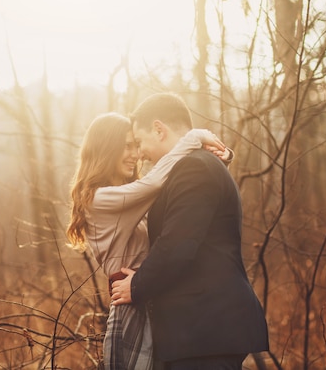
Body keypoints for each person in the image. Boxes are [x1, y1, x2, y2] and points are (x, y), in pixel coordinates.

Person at [111, 93, 269, 369]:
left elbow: (177, 245)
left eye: (139, 142)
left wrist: (136, 286)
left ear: (159, 130)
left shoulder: (195, 168)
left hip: (207, 330)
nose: (139, 153)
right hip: (199, 331)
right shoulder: (191, 167)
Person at [66, 112, 230, 370]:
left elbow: (183, 195)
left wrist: (218, 158)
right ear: (106, 149)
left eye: (136, 145)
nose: (136, 154)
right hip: (133, 306)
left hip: (149, 297)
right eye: (127, 146)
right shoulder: (99, 199)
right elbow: (155, 182)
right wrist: (193, 138)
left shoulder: (128, 198)